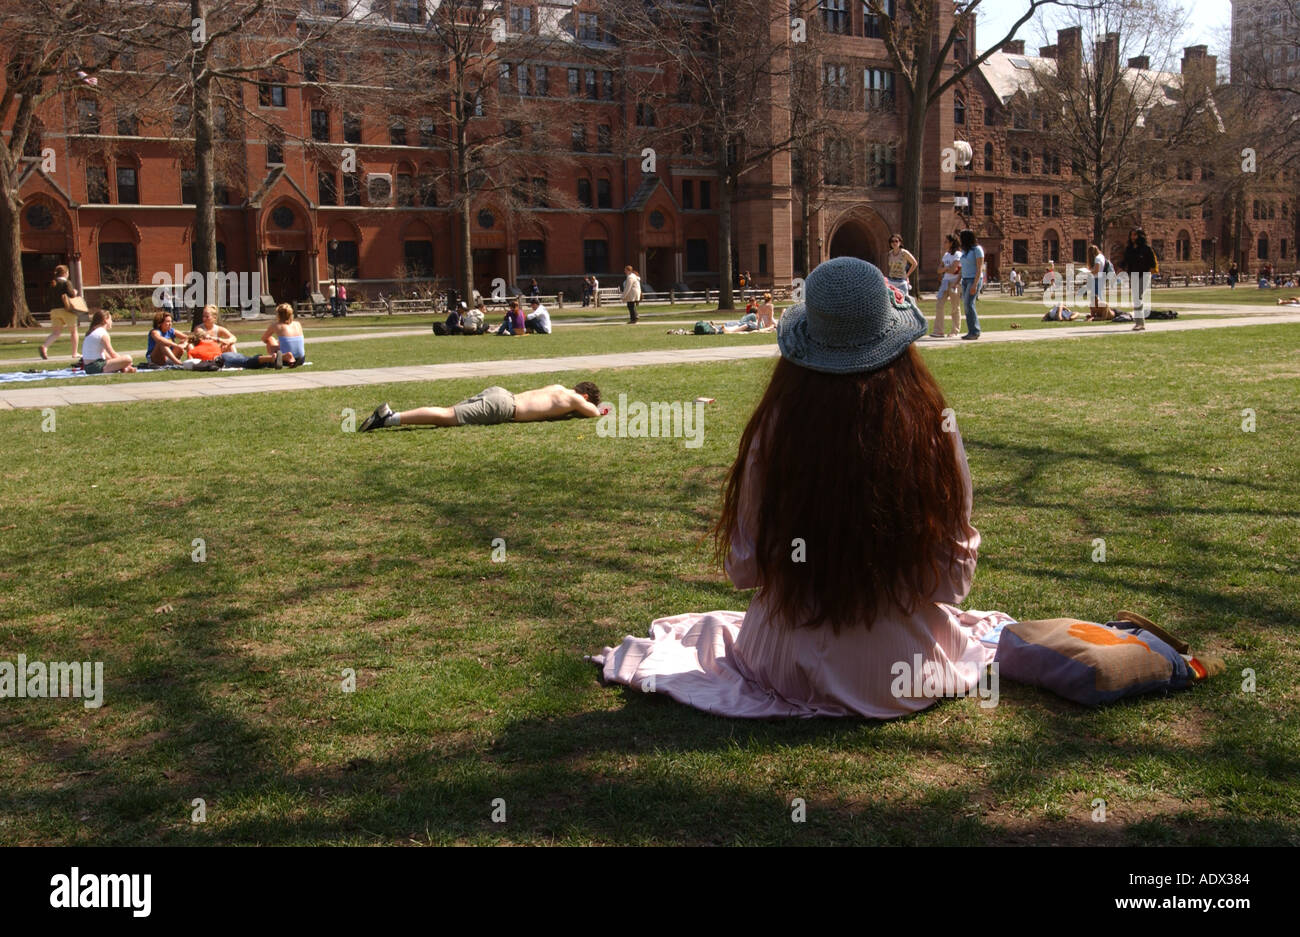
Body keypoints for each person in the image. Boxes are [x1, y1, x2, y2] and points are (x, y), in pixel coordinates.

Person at [591, 256, 1008, 718]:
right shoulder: (933, 427)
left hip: (784, 661)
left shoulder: (777, 428)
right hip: (905, 669)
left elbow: (744, 570)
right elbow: (952, 581)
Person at [359, 381, 602, 432]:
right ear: (586, 396)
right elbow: (592, 413)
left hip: (501, 393)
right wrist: (602, 409)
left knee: (448, 412)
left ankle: (390, 417)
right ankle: (389, 418)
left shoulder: (558, 387)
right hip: (503, 407)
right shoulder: (575, 400)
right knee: (446, 416)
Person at [39, 265, 81, 360]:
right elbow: (71, 294)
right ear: (66, 273)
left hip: (54, 310)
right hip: (66, 309)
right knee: (74, 332)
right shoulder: (66, 283)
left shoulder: (52, 283)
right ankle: (75, 353)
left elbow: (48, 298)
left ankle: (45, 347)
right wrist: (75, 292)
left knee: (56, 332)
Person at [1119, 228, 1157, 331]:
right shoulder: (1129, 249)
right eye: (1131, 235)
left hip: (1144, 275)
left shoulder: (1146, 248)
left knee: (1138, 298)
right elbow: (1125, 261)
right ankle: (1139, 323)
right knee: (1136, 299)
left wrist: (1145, 268)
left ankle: (1140, 323)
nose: (1133, 237)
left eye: (1135, 235)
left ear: (1140, 236)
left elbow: (1152, 263)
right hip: (1134, 275)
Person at [933, 233, 962, 338]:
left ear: (951, 243)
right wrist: (946, 268)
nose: (944, 243)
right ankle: (938, 331)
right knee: (939, 305)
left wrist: (945, 269)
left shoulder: (958, 254)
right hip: (945, 282)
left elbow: (954, 269)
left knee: (955, 307)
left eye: (946, 241)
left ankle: (955, 331)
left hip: (954, 282)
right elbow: (938, 270)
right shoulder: (946, 255)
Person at [261, 302, 305, 367]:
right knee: (280, 341)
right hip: (301, 359)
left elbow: (264, 338)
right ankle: (290, 359)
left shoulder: (276, 325)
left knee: (270, 339)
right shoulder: (297, 324)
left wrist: (276, 343)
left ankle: (275, 359)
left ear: (278, 315)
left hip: (284, 360)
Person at [958, 229, 984, 339]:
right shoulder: (964, 251)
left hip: (974, 279)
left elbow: (979, 268)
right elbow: (962, 267)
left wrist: (975, 284)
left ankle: (975, 331)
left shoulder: (977, 250)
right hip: (965, 280)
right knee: (966, 305)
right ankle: (971, 331)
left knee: (969, 304)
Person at [1088, 243, 1108, 314]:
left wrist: (1089, 272)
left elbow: (1096, 270)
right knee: (1100, 295)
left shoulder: (1097, 258)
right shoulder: (1102, 256)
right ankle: (1102, 311)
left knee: (1096, 297)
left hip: (1097, 278)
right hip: (1101, 277)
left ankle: (1099, 311)